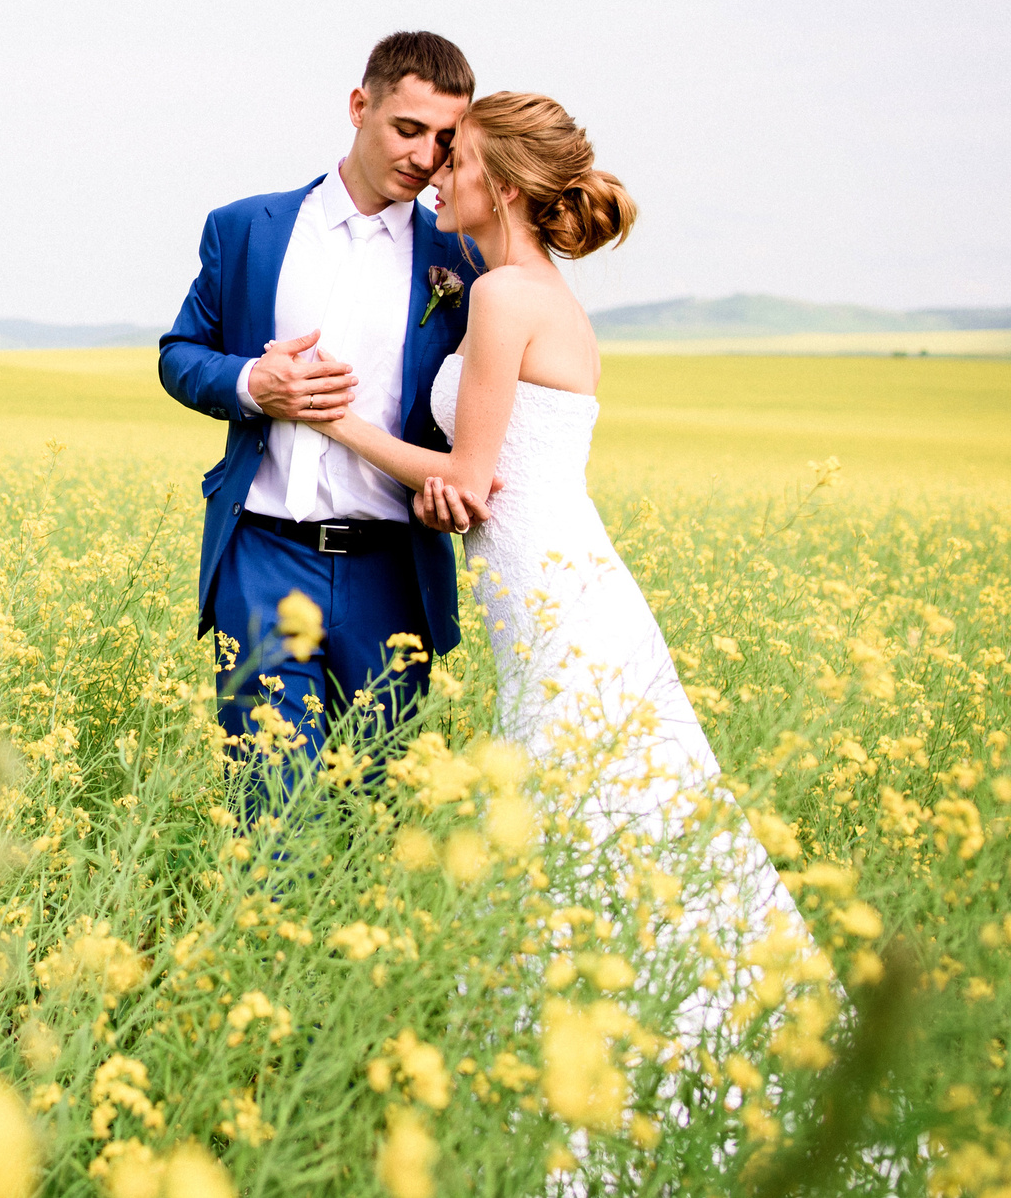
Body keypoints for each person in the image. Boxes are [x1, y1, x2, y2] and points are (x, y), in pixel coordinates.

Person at [315, 90, 813, 989]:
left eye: (458, 159)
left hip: (551, 592)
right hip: (565, 579)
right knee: (608, 809)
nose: (437, 173)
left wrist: (334, 418)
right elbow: (479, 481)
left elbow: (468, 478)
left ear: (502, 186)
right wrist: (445, 495)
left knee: (576, 810)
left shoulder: (506, 296)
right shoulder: (544, 297)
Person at [157, 32, 485, 797]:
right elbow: (180, 353)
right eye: (408, 129)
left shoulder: (464, 254)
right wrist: (251, 384)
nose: (425, 156)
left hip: (394, 566)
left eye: (445, 140)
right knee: (266, 811)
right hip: (263, 554)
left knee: (376, 820)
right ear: (358, 106)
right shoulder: (246, 229)